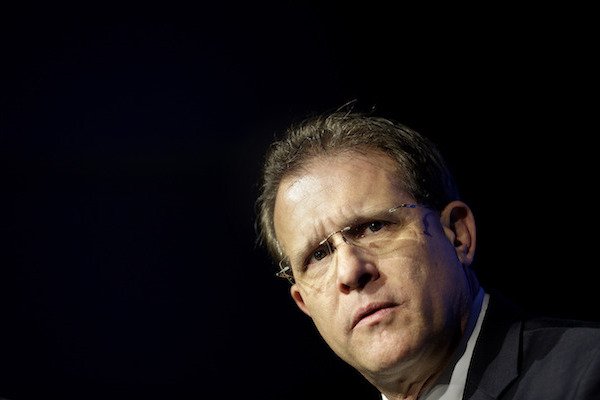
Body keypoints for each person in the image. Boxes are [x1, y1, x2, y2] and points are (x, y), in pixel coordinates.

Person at [254, 107, 600, 400]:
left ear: (458, 236)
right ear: (303, 303)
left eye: (374, 227)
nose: (349, 272)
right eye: (318, 255)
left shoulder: (585, 374)